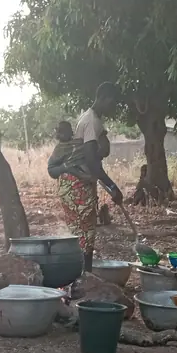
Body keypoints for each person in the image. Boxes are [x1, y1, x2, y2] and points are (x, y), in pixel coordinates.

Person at [54, 83, 124, 270]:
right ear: (105, 98)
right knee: (85, 236)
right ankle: (83, 278)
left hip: (75, 183)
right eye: (113, 102)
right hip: (78, 184)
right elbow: (92, 161)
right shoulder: (92, 121)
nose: (114, 107)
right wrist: (112, 187)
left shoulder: (91, 118)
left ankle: (80, 277)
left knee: (82, 235)